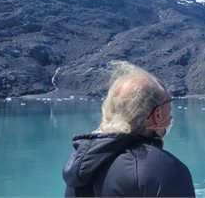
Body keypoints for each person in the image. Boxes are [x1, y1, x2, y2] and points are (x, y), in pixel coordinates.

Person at [63, 61, 195, 197]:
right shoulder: (165, 170)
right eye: (169, 103)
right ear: (157, 114)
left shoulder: (80, 165)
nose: (171, 112)